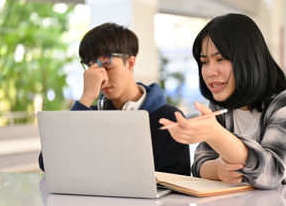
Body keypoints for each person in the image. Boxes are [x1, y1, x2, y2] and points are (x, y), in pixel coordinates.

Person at [159, 13, 286, 189]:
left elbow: (271, 174)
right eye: (204, 62)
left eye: (220, 59)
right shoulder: (222, 104)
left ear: (248, 59)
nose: (210, 71)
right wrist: (218, 170)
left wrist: (215, 134)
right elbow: (200, 164)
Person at [38, 23, 190, 176]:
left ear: (131, 63)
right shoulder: (88, 116)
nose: (101, 78)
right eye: (92, 70)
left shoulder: (170, 119)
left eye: (107, 67)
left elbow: (180, 188)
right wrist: (86, 98)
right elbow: (48, 164)